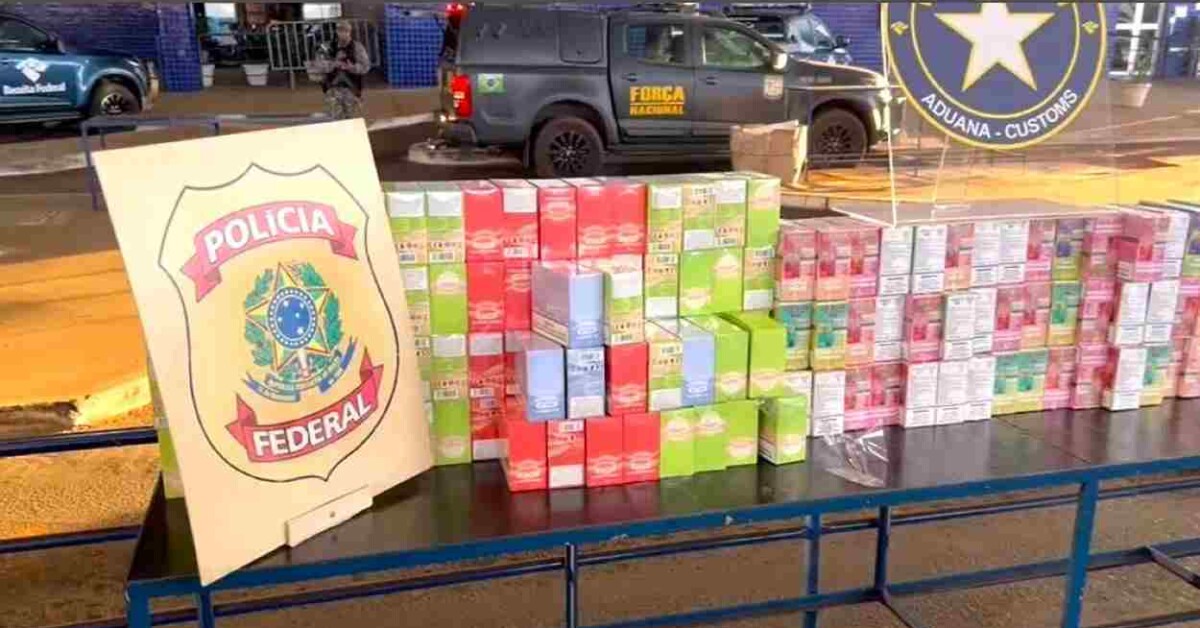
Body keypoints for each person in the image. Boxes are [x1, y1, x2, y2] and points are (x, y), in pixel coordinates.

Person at [315, 21, 370, 119]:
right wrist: (334, 63)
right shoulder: (327, 47)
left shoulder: (357, 47)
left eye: (346, 31)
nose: (343, 33)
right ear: (336, 31)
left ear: (350, 32)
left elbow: (366, 66)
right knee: (335, 119)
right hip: (332, 89)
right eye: (340, 31)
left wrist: (352, 67)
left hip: (351, 90)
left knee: (350, 120)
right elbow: (318, 66)